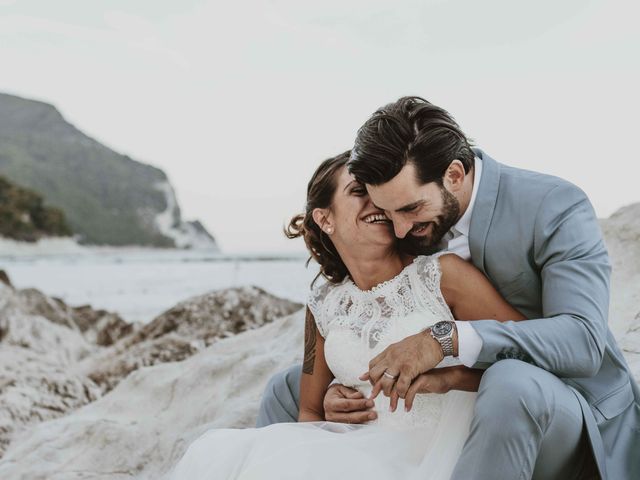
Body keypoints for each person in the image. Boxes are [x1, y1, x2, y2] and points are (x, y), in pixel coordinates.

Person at [259, 97, 640, 479]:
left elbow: (584, 342)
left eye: (408, 210)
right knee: (288, 386)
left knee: (510, 384)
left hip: (567, 401)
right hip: (457, 390)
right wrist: (329, 400)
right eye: (386, 212)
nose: (400, 230)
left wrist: (444, 339)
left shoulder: (553, 205)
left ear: (454, 176)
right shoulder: (408, 215)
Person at [170, 151, 527, 479]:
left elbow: (528, 353)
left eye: (381, 192)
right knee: (218, 455)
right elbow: (308, 415)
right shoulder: (324, 302)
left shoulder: (440, 276)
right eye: (360, 191)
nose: (377, 203)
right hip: (353, 451)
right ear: (325, 219)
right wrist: (327, 405)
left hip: (439, 456)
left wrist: (450, 377)